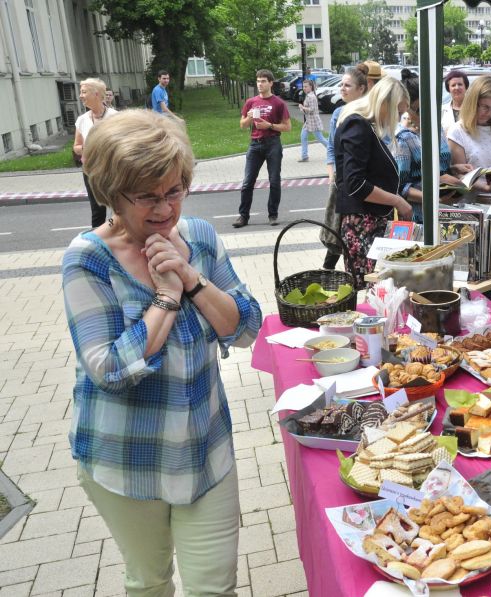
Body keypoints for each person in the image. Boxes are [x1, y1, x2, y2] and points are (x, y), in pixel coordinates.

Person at [62, 109, 262, 596]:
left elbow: (245, 326)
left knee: (214, 588)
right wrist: (167, 297)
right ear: (112, 192)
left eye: (174, 191)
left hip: (204, 449)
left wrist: (193, 279)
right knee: (149, 582)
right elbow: (108, 367)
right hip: (128, 459)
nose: (165, 208)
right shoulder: (88, 259)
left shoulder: (198, 237)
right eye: (148, 196)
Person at [334, 77, 413, 288]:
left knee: (377, 289)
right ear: (386, 103)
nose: (398, 118)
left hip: (368, 221)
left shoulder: (365, 127)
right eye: (398, 111)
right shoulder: (358, 125)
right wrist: (397, 200)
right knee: (374, 288)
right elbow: (356, 183)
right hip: (363, 223)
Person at [394, 70, 468, 224]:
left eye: (430, 106)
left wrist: (453, 168)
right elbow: (399, 187)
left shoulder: (436, 126)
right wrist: (433, 195)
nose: (427, 113)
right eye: (420, 109)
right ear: (406, 108)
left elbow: (437, 166)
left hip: (446, 209)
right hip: (420, 216)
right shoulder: (403, 138)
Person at [321, 66, 369, 269]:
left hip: (363, 181)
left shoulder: (368, 112)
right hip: (342, 181)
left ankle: (350, 273)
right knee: (335, 229)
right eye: (341, 84)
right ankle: (328, 272)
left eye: (347, 85)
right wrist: (332, 175)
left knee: (356, 233)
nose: (342, 88)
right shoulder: (339, 113)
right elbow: (331, 146)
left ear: (362, 89)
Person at [233, 69, 292, 228]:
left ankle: (273, 215)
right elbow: (242, 125)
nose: (260, 84)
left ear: (271, 83)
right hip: (255, 144)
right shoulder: (251, 102)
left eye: (263, 81)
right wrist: (249, 118)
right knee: (247, 182)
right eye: (258, 81)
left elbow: (287, 127)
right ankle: (243, 216)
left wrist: (270, 126)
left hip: (273, 143)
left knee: (274, 181)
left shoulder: (278, 103)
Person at [73, 78, 118, 228]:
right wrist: (86, 149)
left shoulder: (115, 117)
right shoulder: (82, 120)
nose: (80, 96)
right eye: (81, 92)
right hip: (90, 171)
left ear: (97, 94)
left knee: (117, 207)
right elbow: (77, 146)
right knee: (97, 210)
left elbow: (124, 144)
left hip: (112, 170)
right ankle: (98, 240)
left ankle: (113, 230)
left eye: (84, 92)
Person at [447, 76, 491, 169]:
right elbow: (460, 174)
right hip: (472, 184)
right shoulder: (457, 131)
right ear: (472, 103)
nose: (489, 112)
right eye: (484, 106)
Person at [298, 78, 327, 162]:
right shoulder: (309, 95)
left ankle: (334, 151)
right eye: (303, 86)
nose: (304, 88)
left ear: (311, 87)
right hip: (309, 121)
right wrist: (302, 108)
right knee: (303, 136)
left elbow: (312, 109)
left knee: (320, 138)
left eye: (306, 86)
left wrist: (302, 107)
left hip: (313, 121)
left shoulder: (311, 96)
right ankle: (304, 156)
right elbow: (308, 110)